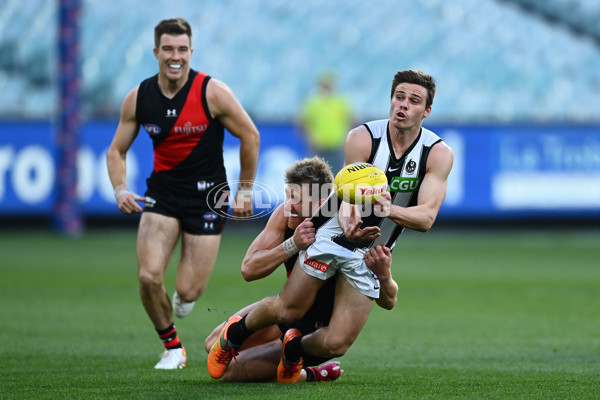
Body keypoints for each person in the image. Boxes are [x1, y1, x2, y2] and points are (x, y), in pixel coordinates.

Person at [207, 69, 453, 382]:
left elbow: (426, 218)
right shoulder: (362, 137)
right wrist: (349, 224)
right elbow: (347, 199)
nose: (403, 105)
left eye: (414, 100)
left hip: (373, 251)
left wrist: (388, 210)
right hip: (335, 235)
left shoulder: (438, 154)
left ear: (426, 111)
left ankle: (294, 353)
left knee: (338, 342)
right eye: (399, 97)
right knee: (287, 311)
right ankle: (235, 334)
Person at [106, 17, 260, 370]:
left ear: (191, 52)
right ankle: (172, 347)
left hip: (208, 198)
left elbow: (250, 136)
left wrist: (245, 190)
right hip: (162, 195)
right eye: (168, 49)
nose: (175, 57)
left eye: (182, 50)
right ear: (156, 52)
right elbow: (116, 150)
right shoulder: (139, 97)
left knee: (189, 292)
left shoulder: (212, 92)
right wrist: (119, 189)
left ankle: (182, 297)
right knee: (148, 276)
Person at [204, 157, 398, 382]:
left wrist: (384, 276)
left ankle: (309, 372)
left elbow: (388, 302)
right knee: (211, 345)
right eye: (287, 195)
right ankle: (272, 353)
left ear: (321, 204)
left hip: (314, 331)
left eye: (295, 199)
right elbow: (249, 270)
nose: (288, 205)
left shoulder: (356, 233)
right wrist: (292, 245)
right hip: (284, 309)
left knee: (230, 374)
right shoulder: (284, 216)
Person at [298, 72, 353, 172]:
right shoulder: (313, 102)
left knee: (335, 174)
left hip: (336, 145)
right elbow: (302, 123)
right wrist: (310, 139)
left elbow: (351, 119)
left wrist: (346, 138)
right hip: (319, 146)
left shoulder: (340, 102)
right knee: (317, 175)